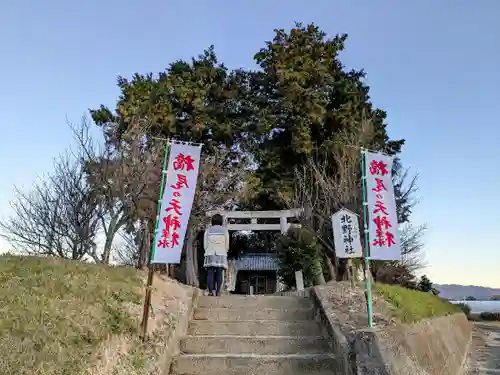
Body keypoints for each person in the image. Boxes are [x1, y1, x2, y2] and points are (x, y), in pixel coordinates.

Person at [203, 214, 229, 296]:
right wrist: (225, 251)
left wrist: (207, 251)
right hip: (221, 253)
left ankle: (210, 291)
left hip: (210, 253)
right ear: (221, 221)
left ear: (212, 221)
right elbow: (227, 244)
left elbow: (205, 244)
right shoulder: (225, 231)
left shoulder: (208, 230)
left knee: (210, 272)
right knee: (219, 273)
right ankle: (218, 292)